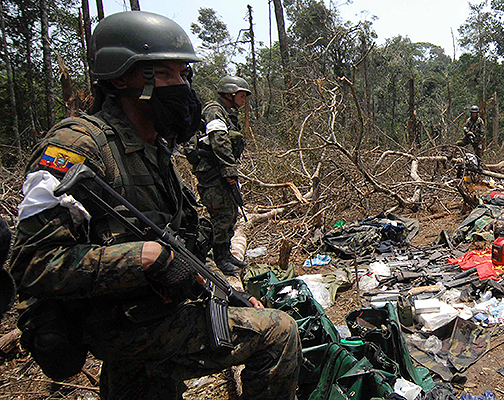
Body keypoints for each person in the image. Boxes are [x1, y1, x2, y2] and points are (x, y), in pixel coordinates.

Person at [9, 11, 300, 400]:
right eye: (164, 74)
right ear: (121, 77)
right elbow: (32, 265)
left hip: (151, 313)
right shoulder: (77, 148)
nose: (180, 86)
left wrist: (224, 290)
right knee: (277, 332)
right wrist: (142, 257)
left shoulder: (155, 149)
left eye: (183, 75)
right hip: (120, 325)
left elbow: (187, 243)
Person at [187, 76, 251, 275]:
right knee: (221, 214)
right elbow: (219, 140)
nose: (244, 100)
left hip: (221, 172)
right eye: (241, 96)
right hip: (213, 174)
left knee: (230, 213)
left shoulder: (226, 113)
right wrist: (230, 170)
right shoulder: (214, 111)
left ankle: (225, 253)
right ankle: (218, 259)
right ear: (230, 94)